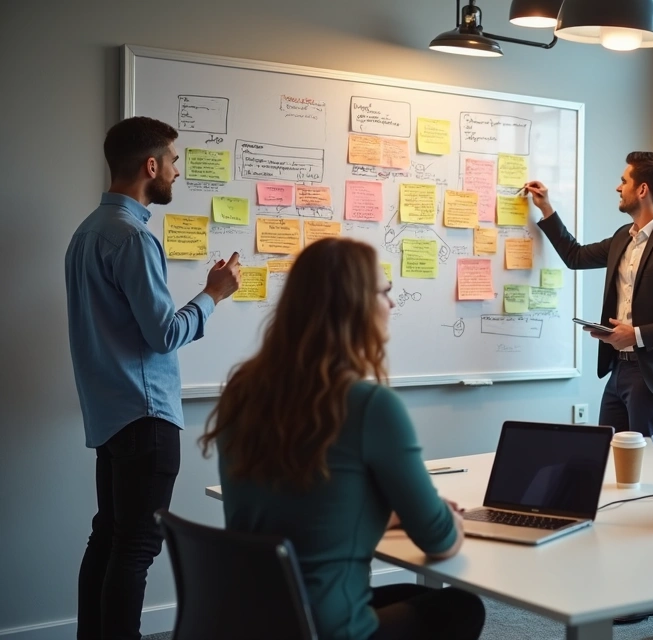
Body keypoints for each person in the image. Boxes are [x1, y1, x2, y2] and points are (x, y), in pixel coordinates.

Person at [199, 238, 484, 640]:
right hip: (328, 629)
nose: (393, 304)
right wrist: (447, 519)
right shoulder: (370, 405)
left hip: (257, 620)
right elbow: (440, 541)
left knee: (413, 596)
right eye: (385, 292)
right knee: (461, 607)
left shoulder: (242, 391)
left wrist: (390, 514)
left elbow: (301, 506)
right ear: (355, 305)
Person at [67, 116, 241, 640]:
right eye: (172, 160)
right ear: (150, 166)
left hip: (109, 415)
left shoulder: (86, 233)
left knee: (108, 538)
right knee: (135, 547)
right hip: (145, 415)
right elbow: (164, 334)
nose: (176, 171)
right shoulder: (132, 238)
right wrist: (213, 294)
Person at [523, 151, 653, 438]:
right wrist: (546, 208)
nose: (618, 187)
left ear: (642, 189)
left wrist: (636, 335)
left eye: (624, 181)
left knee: (647, 458)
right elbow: (575, 256)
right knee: (608, 452)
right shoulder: (623, 237)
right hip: (619, 368)